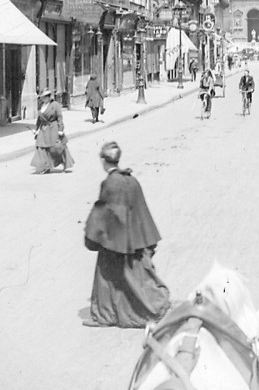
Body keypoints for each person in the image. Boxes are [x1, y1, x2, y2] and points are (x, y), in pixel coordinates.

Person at [83, 142, 172, 328]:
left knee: (105, 275)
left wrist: (93, 233)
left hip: (116, 241)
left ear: (103, 161)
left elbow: (105, 212)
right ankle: (144, 307)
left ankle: (105, 315)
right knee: (138, 277)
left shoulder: (110, 183)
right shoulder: (131, 179)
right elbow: (140, 210)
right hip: (135, 239)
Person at [30, 89, 75, 174]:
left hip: (53, 128)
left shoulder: (55, 105)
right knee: (40, 146)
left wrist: (60, 130)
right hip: (43, 129)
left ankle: (64, 161)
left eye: (44, 97)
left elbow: (59, 118)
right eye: (42, 97)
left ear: (48, 97)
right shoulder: (41, 105)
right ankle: (45, 167)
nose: (43, 99)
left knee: (56, 148)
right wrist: (36, 130)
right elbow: (39, 119)